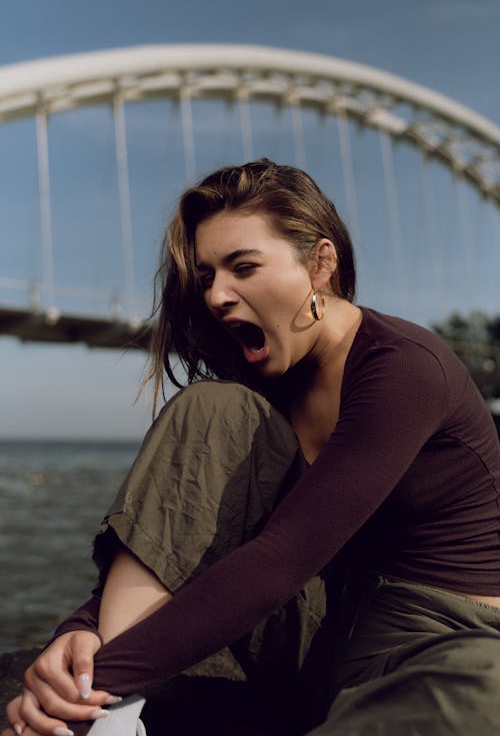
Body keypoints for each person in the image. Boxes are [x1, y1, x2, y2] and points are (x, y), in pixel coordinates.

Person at [3, 158, 500, 736]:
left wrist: (104, 674)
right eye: (209, 274)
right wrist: (79, 637)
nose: (216, 295)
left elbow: (284, 557)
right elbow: (181, 537)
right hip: (319, 630)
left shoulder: (407, 369)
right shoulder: (261, 386)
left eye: (243, 266)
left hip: (430, 640)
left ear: (320, 264)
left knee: (486, 687)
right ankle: (104, 720)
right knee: (209, 409)